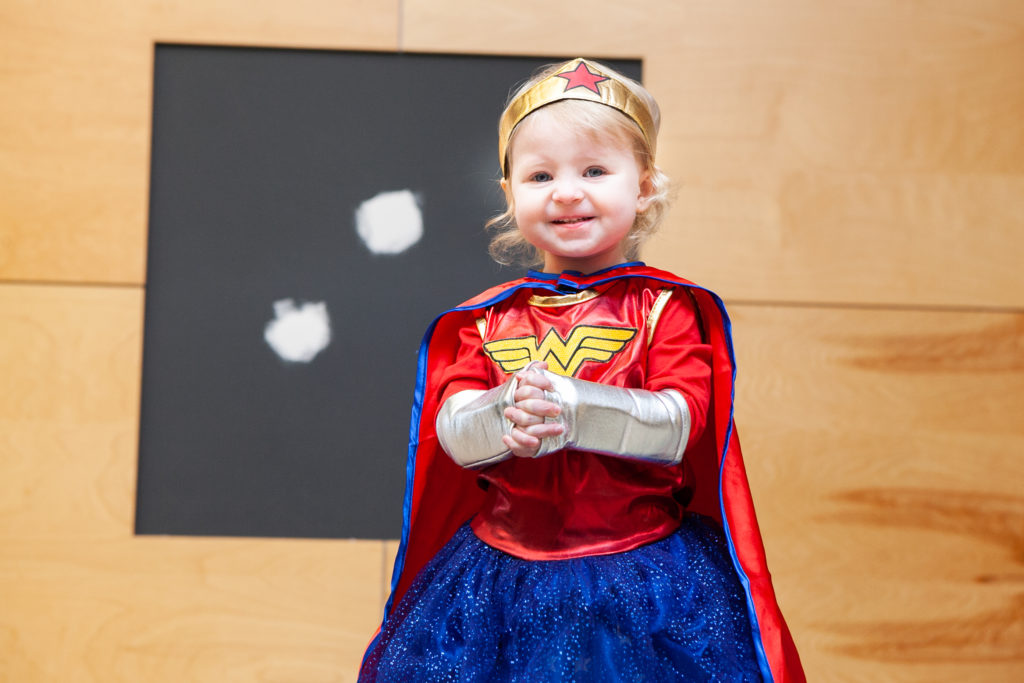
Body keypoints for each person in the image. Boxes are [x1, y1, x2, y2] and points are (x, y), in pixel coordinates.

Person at [359, 58, 803, 682]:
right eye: (540, 175)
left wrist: (574, 409)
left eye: (595, 170)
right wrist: (500, 415)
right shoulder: (486, 320)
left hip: (641, 576)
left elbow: (684, 423)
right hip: (501, 577)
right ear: (510, 195)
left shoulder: (666, 309)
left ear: (644, 185)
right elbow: (453, 427)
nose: (567, 191)